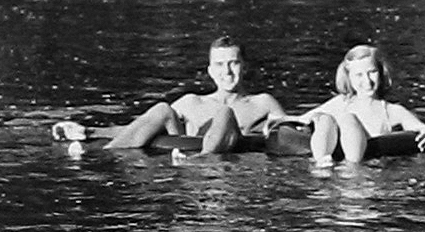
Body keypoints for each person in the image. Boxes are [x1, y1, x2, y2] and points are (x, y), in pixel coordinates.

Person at [53, 35, 284, 158]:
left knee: (224, 113)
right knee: (162, 109)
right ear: (210, 71)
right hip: (183, 151)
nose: (227, 72)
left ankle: (201, 160)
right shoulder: (192, 102)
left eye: (233, 63)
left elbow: (292, 133)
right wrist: (91, 132)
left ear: (244, 66)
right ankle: (104, 153)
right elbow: (143, 126)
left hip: (226, 153)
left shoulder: (262, 102)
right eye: (220, 64)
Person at [275, 43, 425, 166]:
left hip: (368, 168)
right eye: (359, 75)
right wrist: (278, 121)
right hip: (332, 168)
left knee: (348, 119)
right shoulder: (340, 103)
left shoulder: (391, 111)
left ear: (382, 73)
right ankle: (321, 162)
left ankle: (352, 166)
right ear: (349, 78)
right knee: (324, 118)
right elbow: (302, 120)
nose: (367, 81)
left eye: (372, 72)